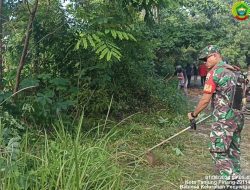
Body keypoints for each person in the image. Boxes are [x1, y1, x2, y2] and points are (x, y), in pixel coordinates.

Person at [187, 45, 245, 189]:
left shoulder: (215, 73)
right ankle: (231, 182)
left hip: (224, 120)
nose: (205, 62)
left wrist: (194, 114)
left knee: (217, 151)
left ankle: (233, 184)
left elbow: (205, 100)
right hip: (238, 118)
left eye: (206, 58)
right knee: (233, 151)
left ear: (215, 55)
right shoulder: (236, 72)